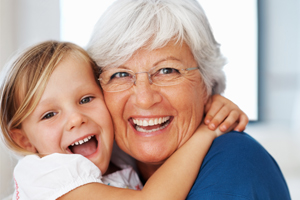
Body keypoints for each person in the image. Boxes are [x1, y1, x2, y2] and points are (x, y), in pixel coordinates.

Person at [85, 0, 291, 199]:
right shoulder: (103, 167)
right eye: (120, 75)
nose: (144, 99)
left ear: (206, 84)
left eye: (167, 71)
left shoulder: (234, 163)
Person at [0, 41, 246, 200]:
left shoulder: (118, 155)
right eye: (49, 115)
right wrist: (207, 130)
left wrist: (209, 106)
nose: (76, 119)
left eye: (86, 99)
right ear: (23, 138)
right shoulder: (47, 175)